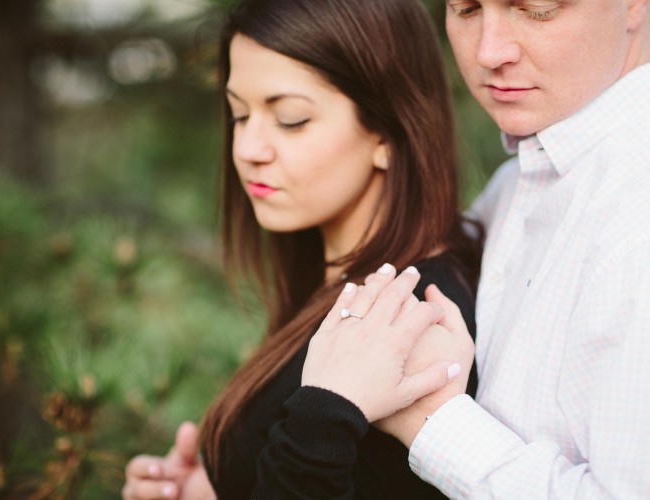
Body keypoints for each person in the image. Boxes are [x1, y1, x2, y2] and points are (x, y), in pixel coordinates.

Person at [302, 0, 650, 498]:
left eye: (536, 9)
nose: (489, 51)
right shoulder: (520, 183)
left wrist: (431, 421)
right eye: (465, 9)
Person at [121, 0, 483, 498]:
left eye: (290, 119)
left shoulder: (410, 320)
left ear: (387, 130)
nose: (249, 149)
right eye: (238, 115)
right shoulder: (342, 287)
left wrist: (324, 416)